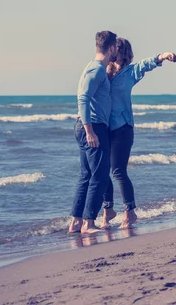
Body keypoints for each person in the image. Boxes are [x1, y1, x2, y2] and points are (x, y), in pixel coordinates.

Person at [101, 37, 176, 229]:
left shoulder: (130, 72)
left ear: (121, 50)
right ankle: (107, 211)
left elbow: (146, 64)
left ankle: (130, 212)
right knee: (102, 172)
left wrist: (163, 56)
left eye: (114, 48)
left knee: (118, 171)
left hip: (123, 127)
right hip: (104, 127)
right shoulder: (105, 71)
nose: (111, 51)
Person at [69, 31, 118, 234]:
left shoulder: (94, 67)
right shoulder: (96, 70)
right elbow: (82, 98)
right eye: (116, 48)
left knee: (86, 176)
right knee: (99, 176)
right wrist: (90, 131)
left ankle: (76, 223)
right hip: (92, 127)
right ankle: (89, 223)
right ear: (111, 48)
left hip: (87, 126)